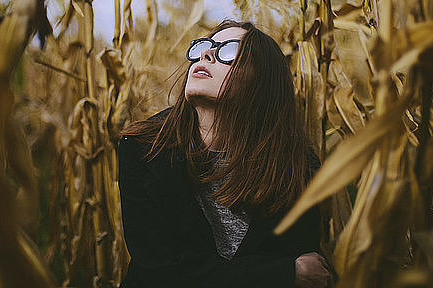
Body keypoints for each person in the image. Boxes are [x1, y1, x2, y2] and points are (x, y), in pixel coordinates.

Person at [117, 20, 330, 288]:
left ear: (262, 81)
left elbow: (308, 268)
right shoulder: (143, 149)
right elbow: (162, 273)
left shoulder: (297, 168)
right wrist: (282, 274)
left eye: (228, 52)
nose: (206, 54)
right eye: (203, 47)